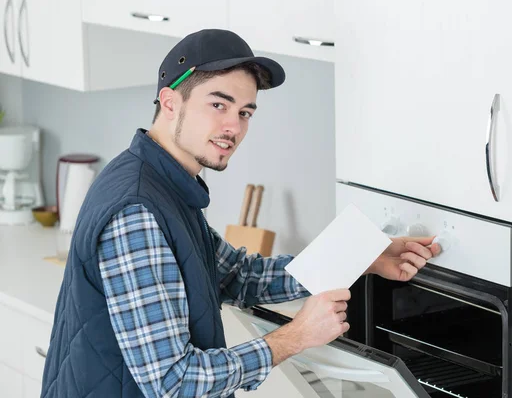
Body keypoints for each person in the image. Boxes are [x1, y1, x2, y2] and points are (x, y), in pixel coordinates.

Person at [40, 29, 441, 398]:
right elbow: (174, 381)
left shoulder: (164, 184)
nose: (233, 126)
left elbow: (237, 275)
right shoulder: (137, 210)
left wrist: (360, 258)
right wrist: (296, 335)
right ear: (170, 102)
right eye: (219, 104)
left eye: (245, 112)